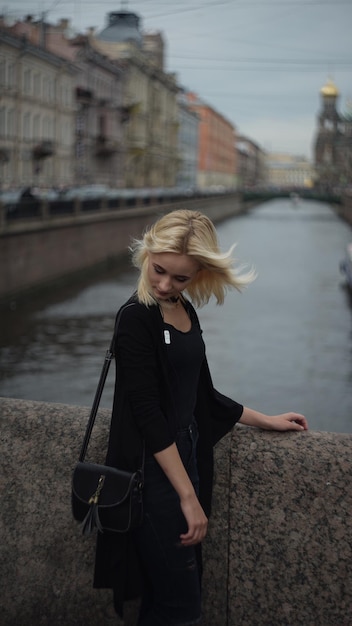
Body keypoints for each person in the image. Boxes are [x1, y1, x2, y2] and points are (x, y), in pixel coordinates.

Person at [93, 209, 308, 625]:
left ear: (198, 275)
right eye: (159, 271)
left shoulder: (184, 309)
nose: (164, 285)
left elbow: (201, 395)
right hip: (152, 474)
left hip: (187, 457)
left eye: (180, 278)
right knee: (183, 608)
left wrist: (265, 419)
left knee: (165, 600)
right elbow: (148, 416)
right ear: (147, 252)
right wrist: (187, 498)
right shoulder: (136, 317)